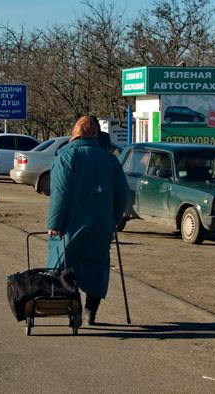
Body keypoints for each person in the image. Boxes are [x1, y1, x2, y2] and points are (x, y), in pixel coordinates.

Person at [46, 115, 129, 325]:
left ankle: (73, 309)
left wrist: (54, 223)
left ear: (75, 133)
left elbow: (60, 193)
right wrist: (114, 219)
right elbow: (122, 193)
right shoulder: (110, 160)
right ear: (95, 134)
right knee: (97, 266)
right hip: (101, 225)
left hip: (71, 225)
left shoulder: (66, 156)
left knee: (65, 266)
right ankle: (91, 311)